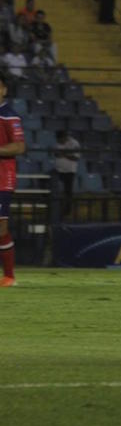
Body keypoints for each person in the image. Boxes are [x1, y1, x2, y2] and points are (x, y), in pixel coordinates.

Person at [0, 72, 25, 287]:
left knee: (1, 227)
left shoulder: (9, 116)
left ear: (3, 89)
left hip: (2, 178)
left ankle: (9, 276)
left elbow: (19, 147)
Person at [53, 130, 80, 219]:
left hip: (69, 171)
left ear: (65, 137)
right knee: (56, 190)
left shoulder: (74, 143)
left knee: (68, 192)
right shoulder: (57, 143)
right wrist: (66, 154)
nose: (59, 142)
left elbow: (75, 157)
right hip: (58, 170)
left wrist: (63, 154)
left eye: (61, 140)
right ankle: (56, 210)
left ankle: (67, 212)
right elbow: (57, 154)